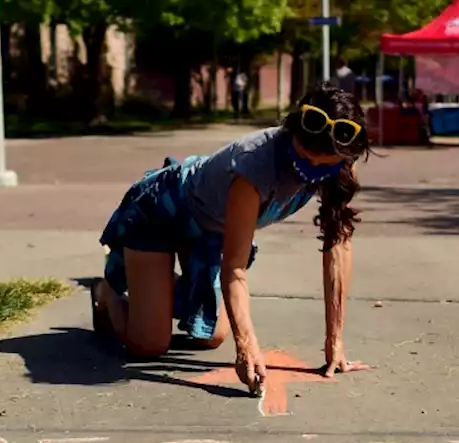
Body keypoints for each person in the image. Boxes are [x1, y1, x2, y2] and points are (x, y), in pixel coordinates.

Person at [92, 85, 371, 394]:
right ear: (291, 132)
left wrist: (335, 341)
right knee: (150, 345)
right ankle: (108, 293)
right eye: (304, 159)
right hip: (161, 211)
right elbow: (235, 269)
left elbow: (338, 243)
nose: (312, 172)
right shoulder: (255, 164)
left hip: (210, 227)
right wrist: (247, 347)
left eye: (324, 165)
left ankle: (152, 286)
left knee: (210, 336)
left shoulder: (342, 154)